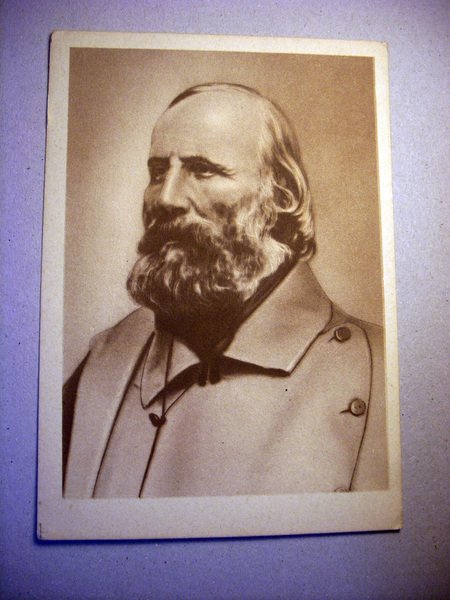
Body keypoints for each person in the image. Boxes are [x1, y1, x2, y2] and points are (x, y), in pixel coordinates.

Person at [63, 83, 388, 498]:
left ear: (282, 196)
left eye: (203, 170)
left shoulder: (380, 372)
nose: (166, 198)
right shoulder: (106, 360)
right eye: (158, 172)